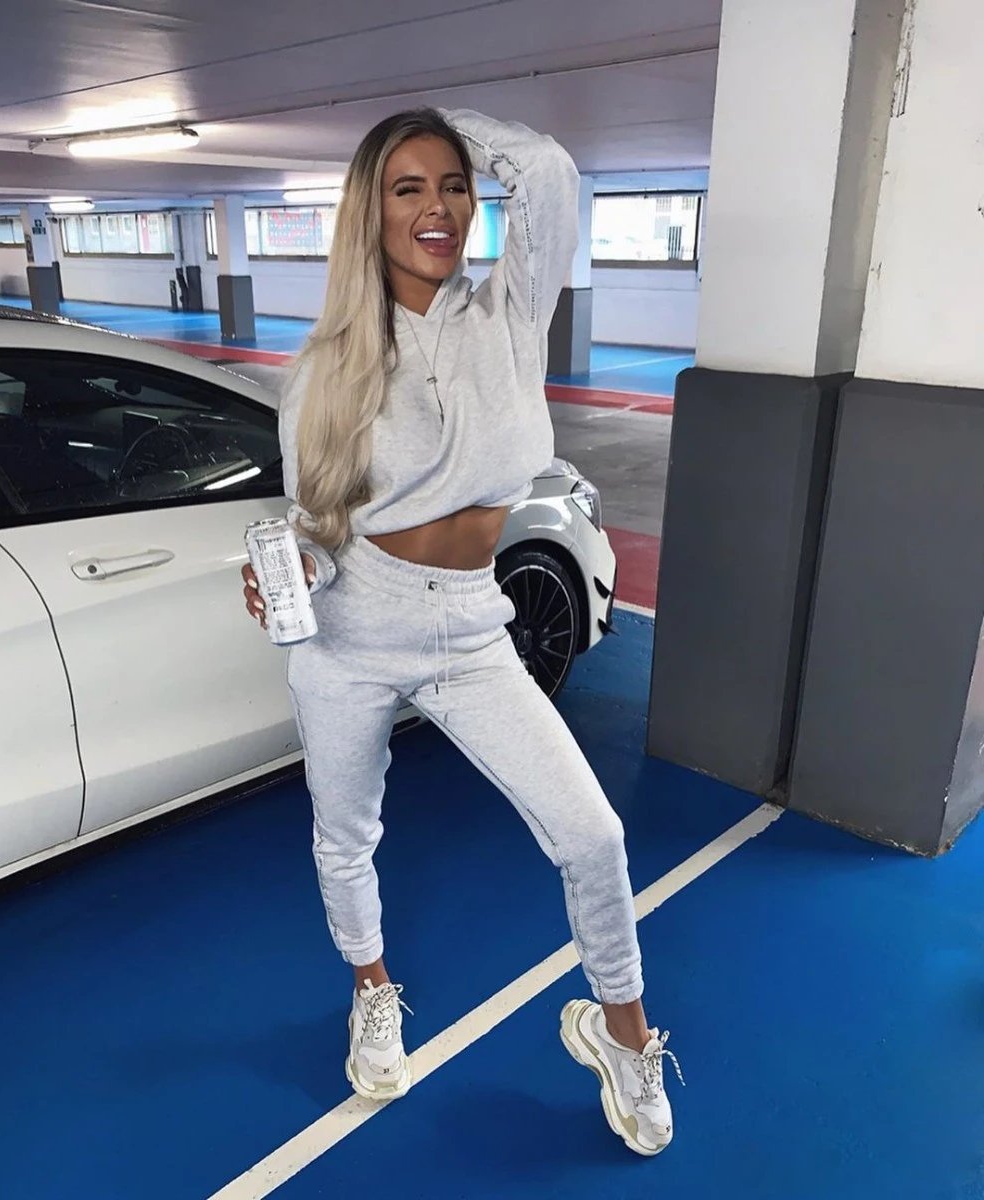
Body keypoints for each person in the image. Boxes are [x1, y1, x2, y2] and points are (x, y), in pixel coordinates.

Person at [241, 106, 680, 1156]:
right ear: (369, 211)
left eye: (451, 186)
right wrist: (288, 574)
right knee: (347, 835)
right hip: (350, 632)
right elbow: (318, 529)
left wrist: (439, 125)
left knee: (592, 835)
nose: (435, 208)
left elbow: (550, 170)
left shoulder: (508, 315)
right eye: (406, 189)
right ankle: (372, 989)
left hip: (473, 630)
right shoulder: (324, 369)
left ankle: (621, 1036)